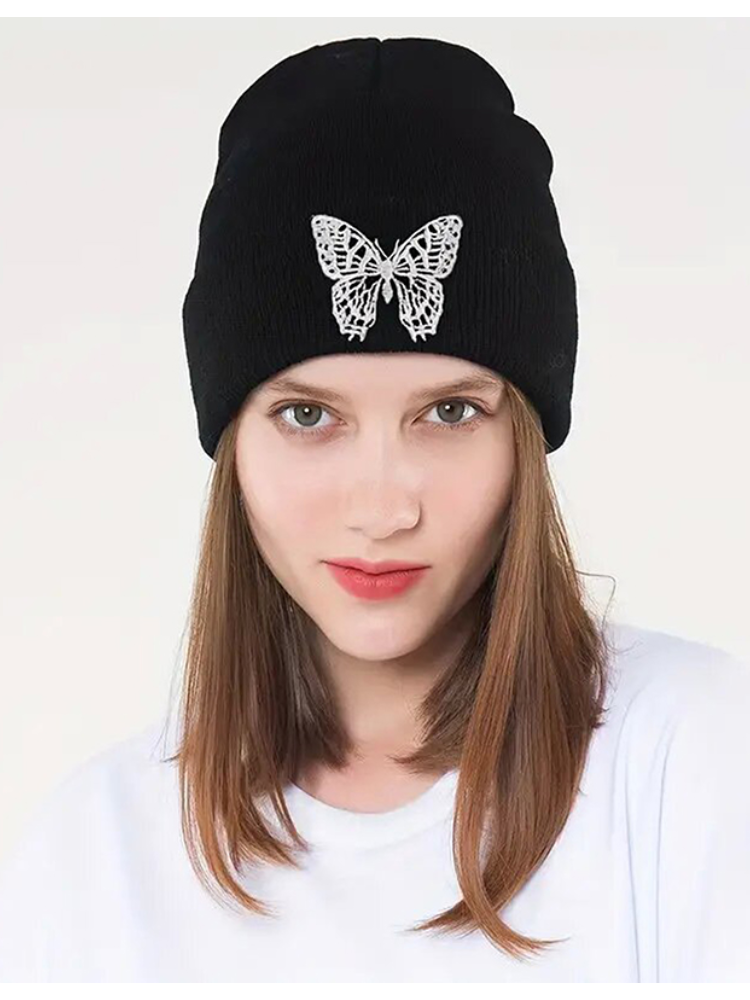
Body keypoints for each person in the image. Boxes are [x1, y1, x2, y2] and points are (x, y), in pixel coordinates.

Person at [1, 36, 749, 984]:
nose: (384, 508)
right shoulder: (92, 856)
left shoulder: (697, 754)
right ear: (232, 445)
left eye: (451, 413)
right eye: (309, 416)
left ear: (523, 439)